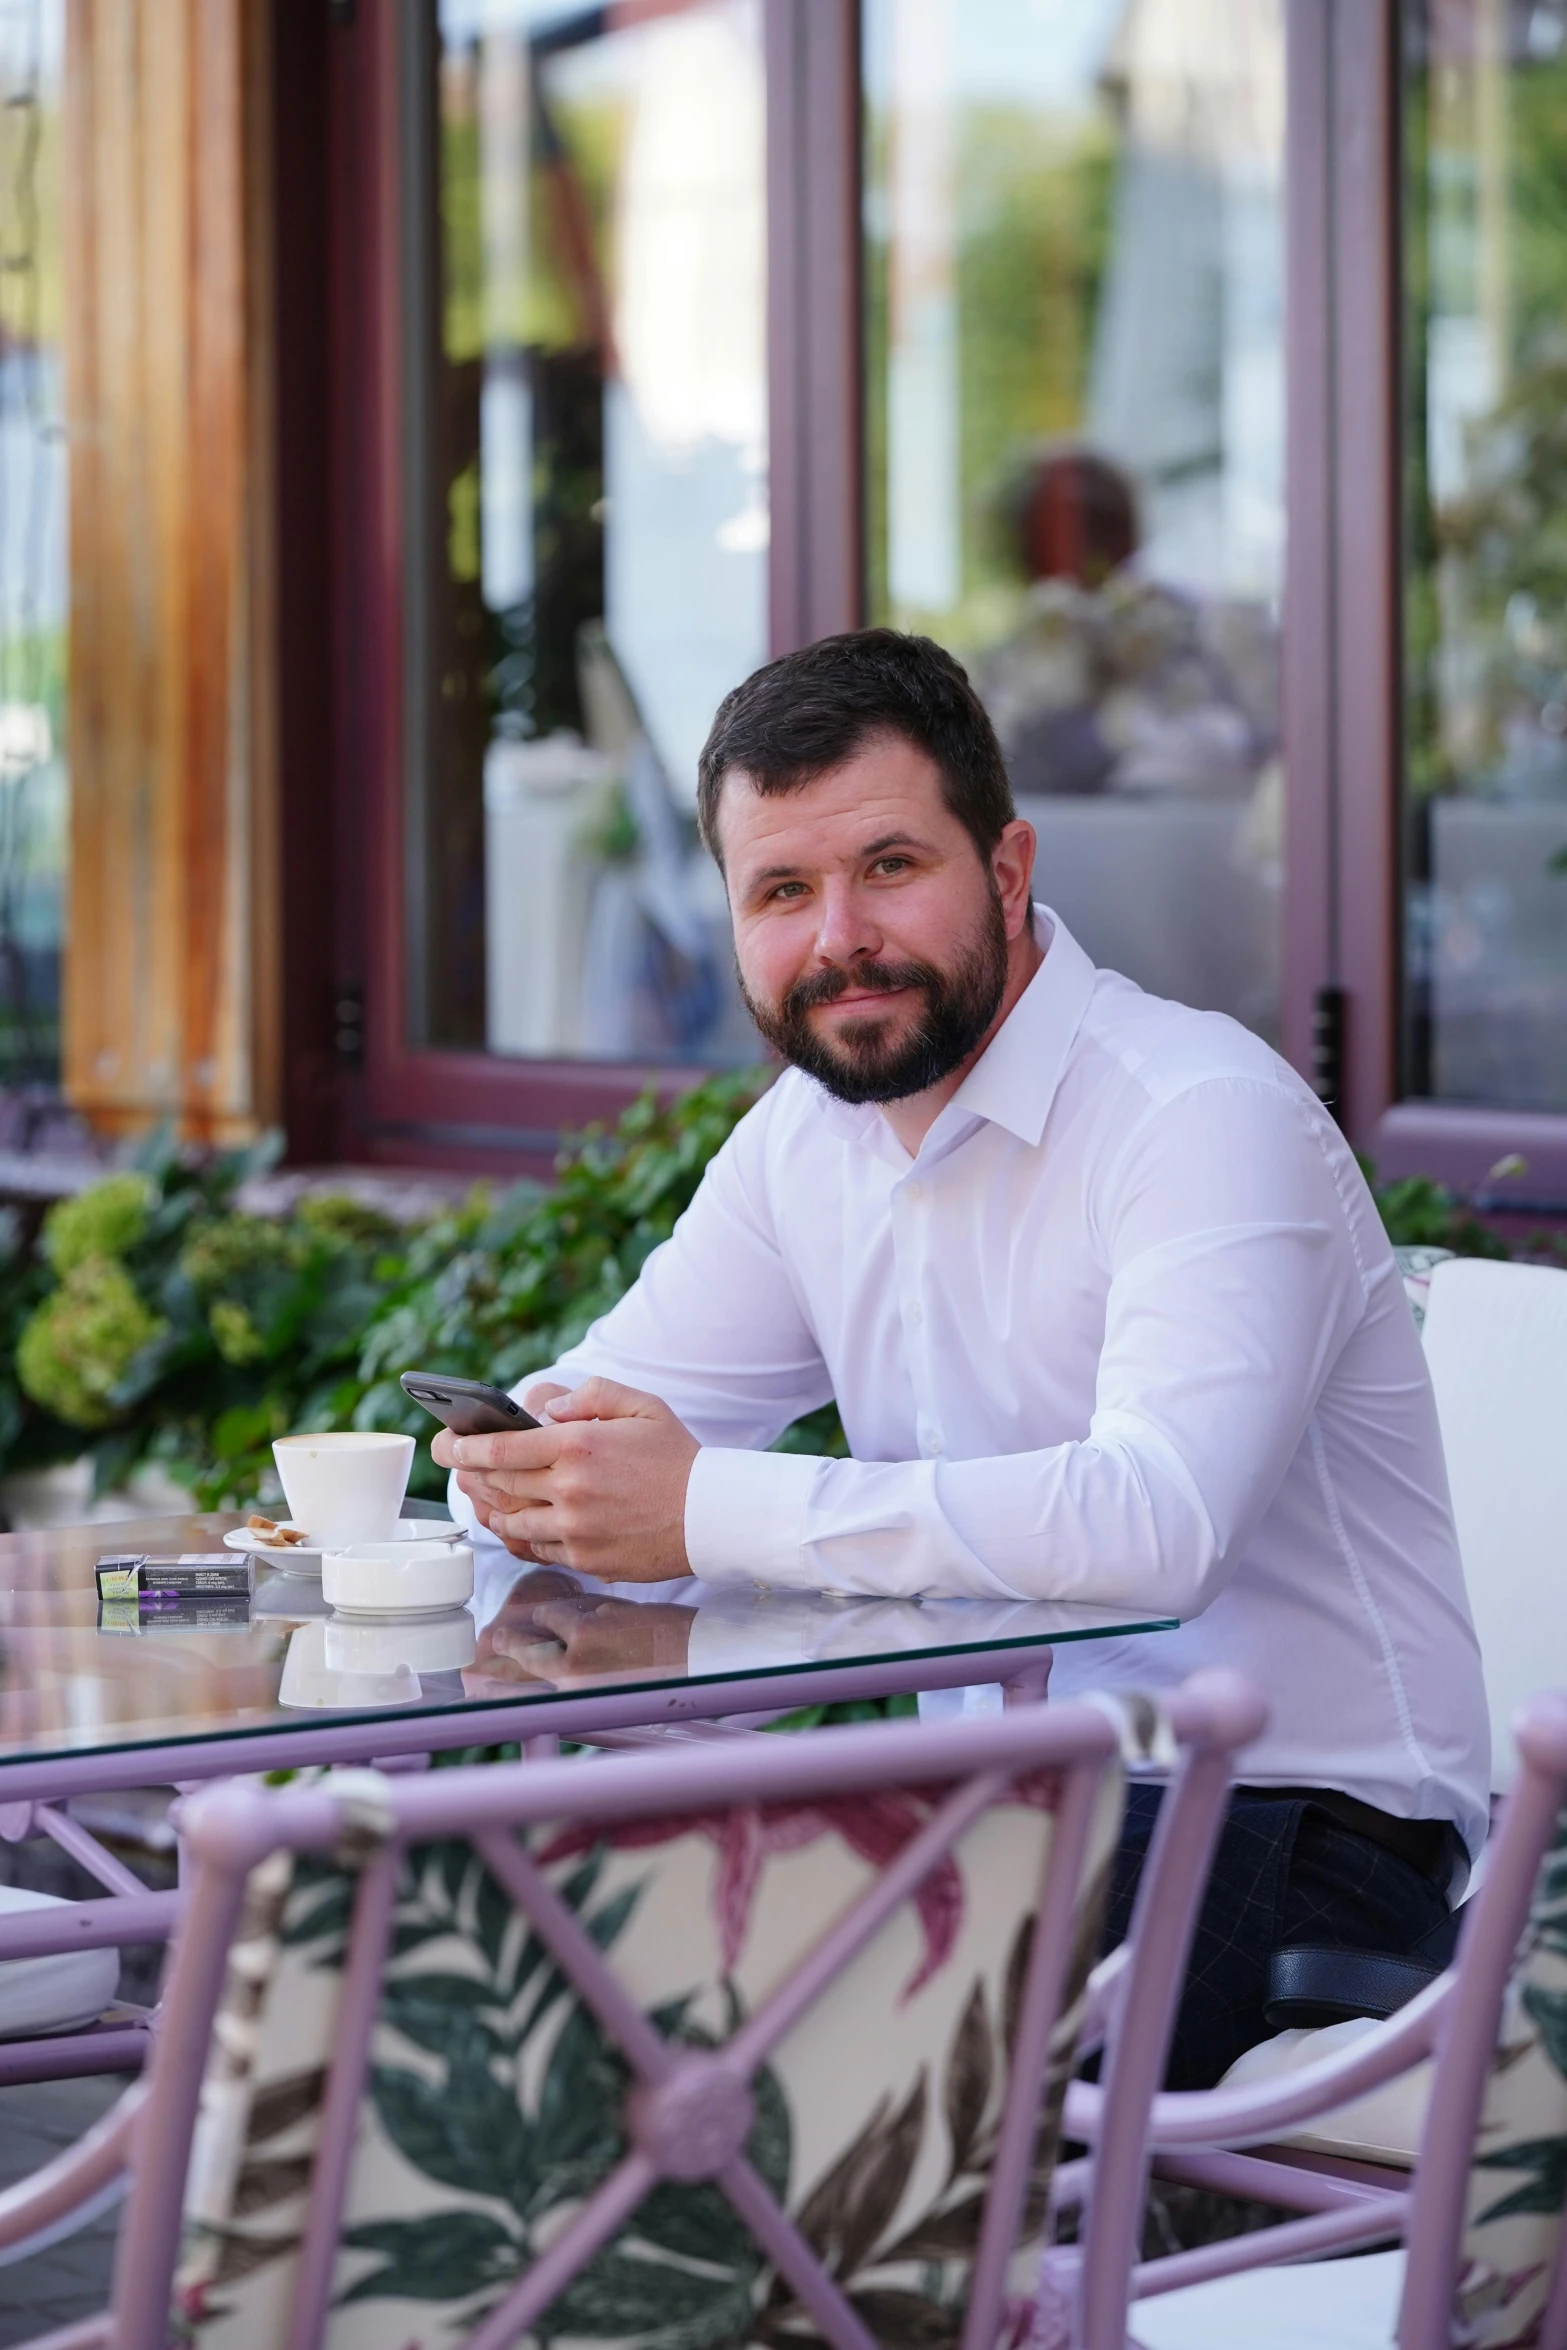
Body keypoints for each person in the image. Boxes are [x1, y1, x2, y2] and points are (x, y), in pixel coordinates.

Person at [439, 626, 1489, 2088]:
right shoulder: (805, 1146)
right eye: (780, 892)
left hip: (1299, 1837)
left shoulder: (1196, 1112)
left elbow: (1158, 1520)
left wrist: (701, 1509)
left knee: (756, 2040)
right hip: (995, 1819)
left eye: (887, 867)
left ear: (1003, 869)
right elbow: (607, 1407)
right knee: (529, 1964)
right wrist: (505, 1480)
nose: (836, 938)